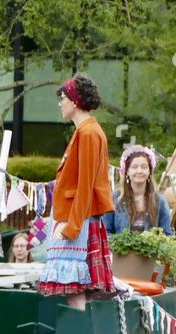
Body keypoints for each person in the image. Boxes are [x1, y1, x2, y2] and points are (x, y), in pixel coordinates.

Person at [40, 74, 116, 309]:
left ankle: (79, 333)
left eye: (63, 98)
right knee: (80, 291)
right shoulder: (86, 131)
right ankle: (82, 332)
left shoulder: (88, 133)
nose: (59, 103)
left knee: (76, 291)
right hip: (78, 218)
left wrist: (72, 226)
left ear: (74, 101)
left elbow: (85, 184)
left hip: (78, 221)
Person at [102, 144, 173, 236]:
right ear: (127, 171)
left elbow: (167, 234)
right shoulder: (114, 199)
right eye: (134, 167)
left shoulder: (160, 201)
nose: (139, 171)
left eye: (144, 167)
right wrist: (120, 243)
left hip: (151, 246)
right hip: (119, 246)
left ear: (149, 171)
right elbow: (105, 232)